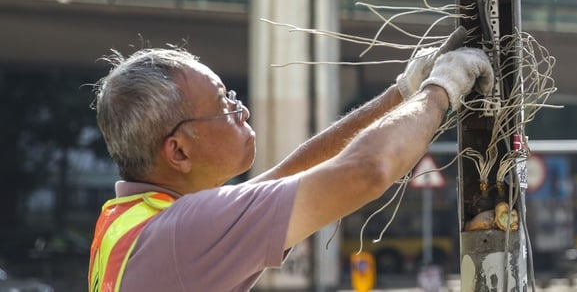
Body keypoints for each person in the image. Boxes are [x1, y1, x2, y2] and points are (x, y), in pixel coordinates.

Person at [88, 43, 493, 292]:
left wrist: (401, 94)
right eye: (225, 106)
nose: (242, 110)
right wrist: (442, 90)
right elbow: (367, 170)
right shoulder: (184, 232)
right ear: (178, 152)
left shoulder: (133, 222)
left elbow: (285, 177)